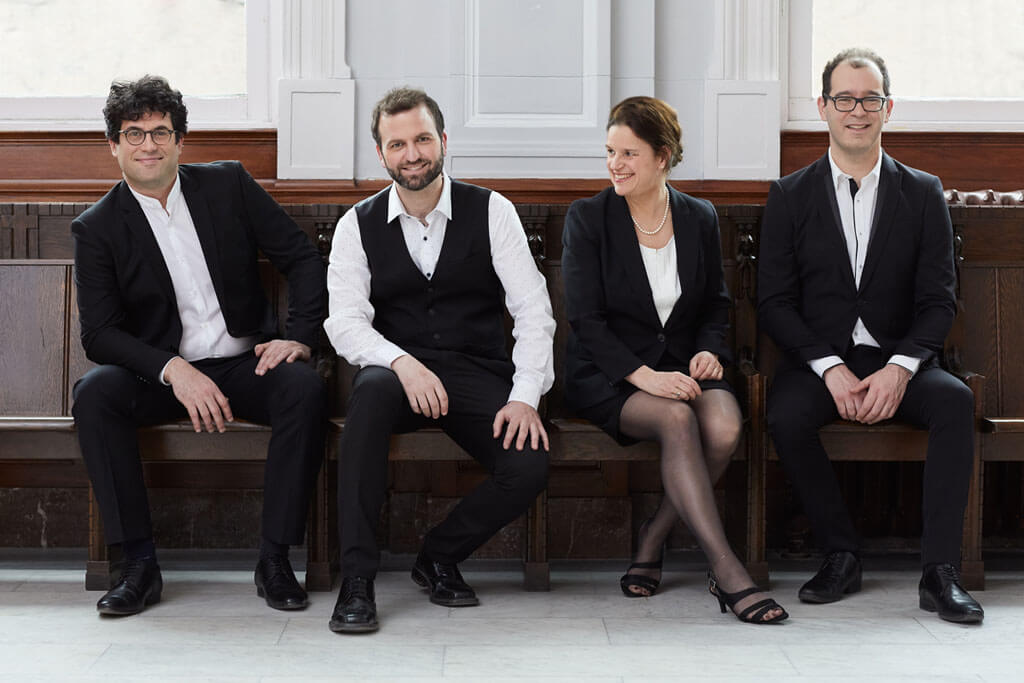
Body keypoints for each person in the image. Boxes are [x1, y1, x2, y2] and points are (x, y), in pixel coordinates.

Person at [72, 76, 327, 616]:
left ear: (180, 140)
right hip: (162, 378)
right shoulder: (96, 228)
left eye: (160, 132)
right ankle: (138, 566)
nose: (148, 145)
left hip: (244, 364)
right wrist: (174, 369)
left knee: (303, 388)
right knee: (94, 394)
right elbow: (99, 334)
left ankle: (275, 560)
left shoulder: (228, 184)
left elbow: (304, 260)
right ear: (113, 145)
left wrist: (299, 338)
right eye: (134, 133)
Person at [758, 48, 983, 623]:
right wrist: (828, 367)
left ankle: (940, 573)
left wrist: (901, 368)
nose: (857, 110)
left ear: (888, 108)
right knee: (784, 414)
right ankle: (841, 553)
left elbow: (939, 301)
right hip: (821, 363)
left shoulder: (924, 192)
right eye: (844, 99)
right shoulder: (789, 195)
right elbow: (775, 302)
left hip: (900, 360)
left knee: (955, 402)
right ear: (823, 107)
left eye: (869, 99)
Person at [324, 86, 556, 633]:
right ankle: (357, 580)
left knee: (528, 464)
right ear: (381, 154)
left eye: (423, 139)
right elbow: (345, 322)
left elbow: (533, 311)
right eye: (397, 144)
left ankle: (438, 555)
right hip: (396, 374)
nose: (412, 154)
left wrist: (525, 396)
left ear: (444, 141)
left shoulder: (491, 210)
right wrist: (401, 362)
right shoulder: (356, 224)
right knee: (369, 398)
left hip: (476, 371)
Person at [562, 96, 787, 624]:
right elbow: (586, 321)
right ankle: (728, 571)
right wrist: (646, 377)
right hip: (609, 374)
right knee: (678, 419)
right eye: (610, 152)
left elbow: (715, 304)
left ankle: (653, 534)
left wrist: (708, 350)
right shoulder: (588, 218)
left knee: (726, 428)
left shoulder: (697, 216)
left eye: (629, 153)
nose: (615, 164)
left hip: (685, 365)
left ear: (662, 156)